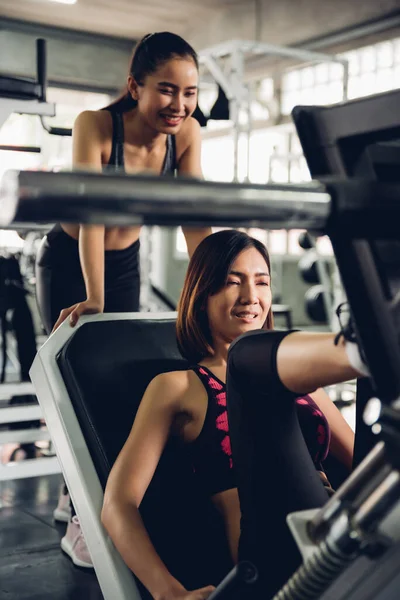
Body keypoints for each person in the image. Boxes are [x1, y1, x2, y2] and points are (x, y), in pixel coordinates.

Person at [101, 229, 361, 600]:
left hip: (336, 530)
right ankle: (363, 346)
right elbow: (118, 504)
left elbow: (364, 461)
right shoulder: (177, 386)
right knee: (251, 365)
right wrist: (168, 592)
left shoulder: (304, 383)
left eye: (262, 282)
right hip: (272, 556)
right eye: (231, 282)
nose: (251, 298)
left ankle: (366, 348)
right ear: (202, 294)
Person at [35, 31, 211, 569]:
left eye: (190, 92)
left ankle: (110, 502)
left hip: (125, 263)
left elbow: (195, 215)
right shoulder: (96, 125)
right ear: (134, 86)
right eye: (166, 90)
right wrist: (94, 296)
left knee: (123, 387)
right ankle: (76, 516)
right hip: (70, 259)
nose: (179, 105)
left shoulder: (185, 135)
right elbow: (92, 216)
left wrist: (208, 290)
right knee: (74, 383)